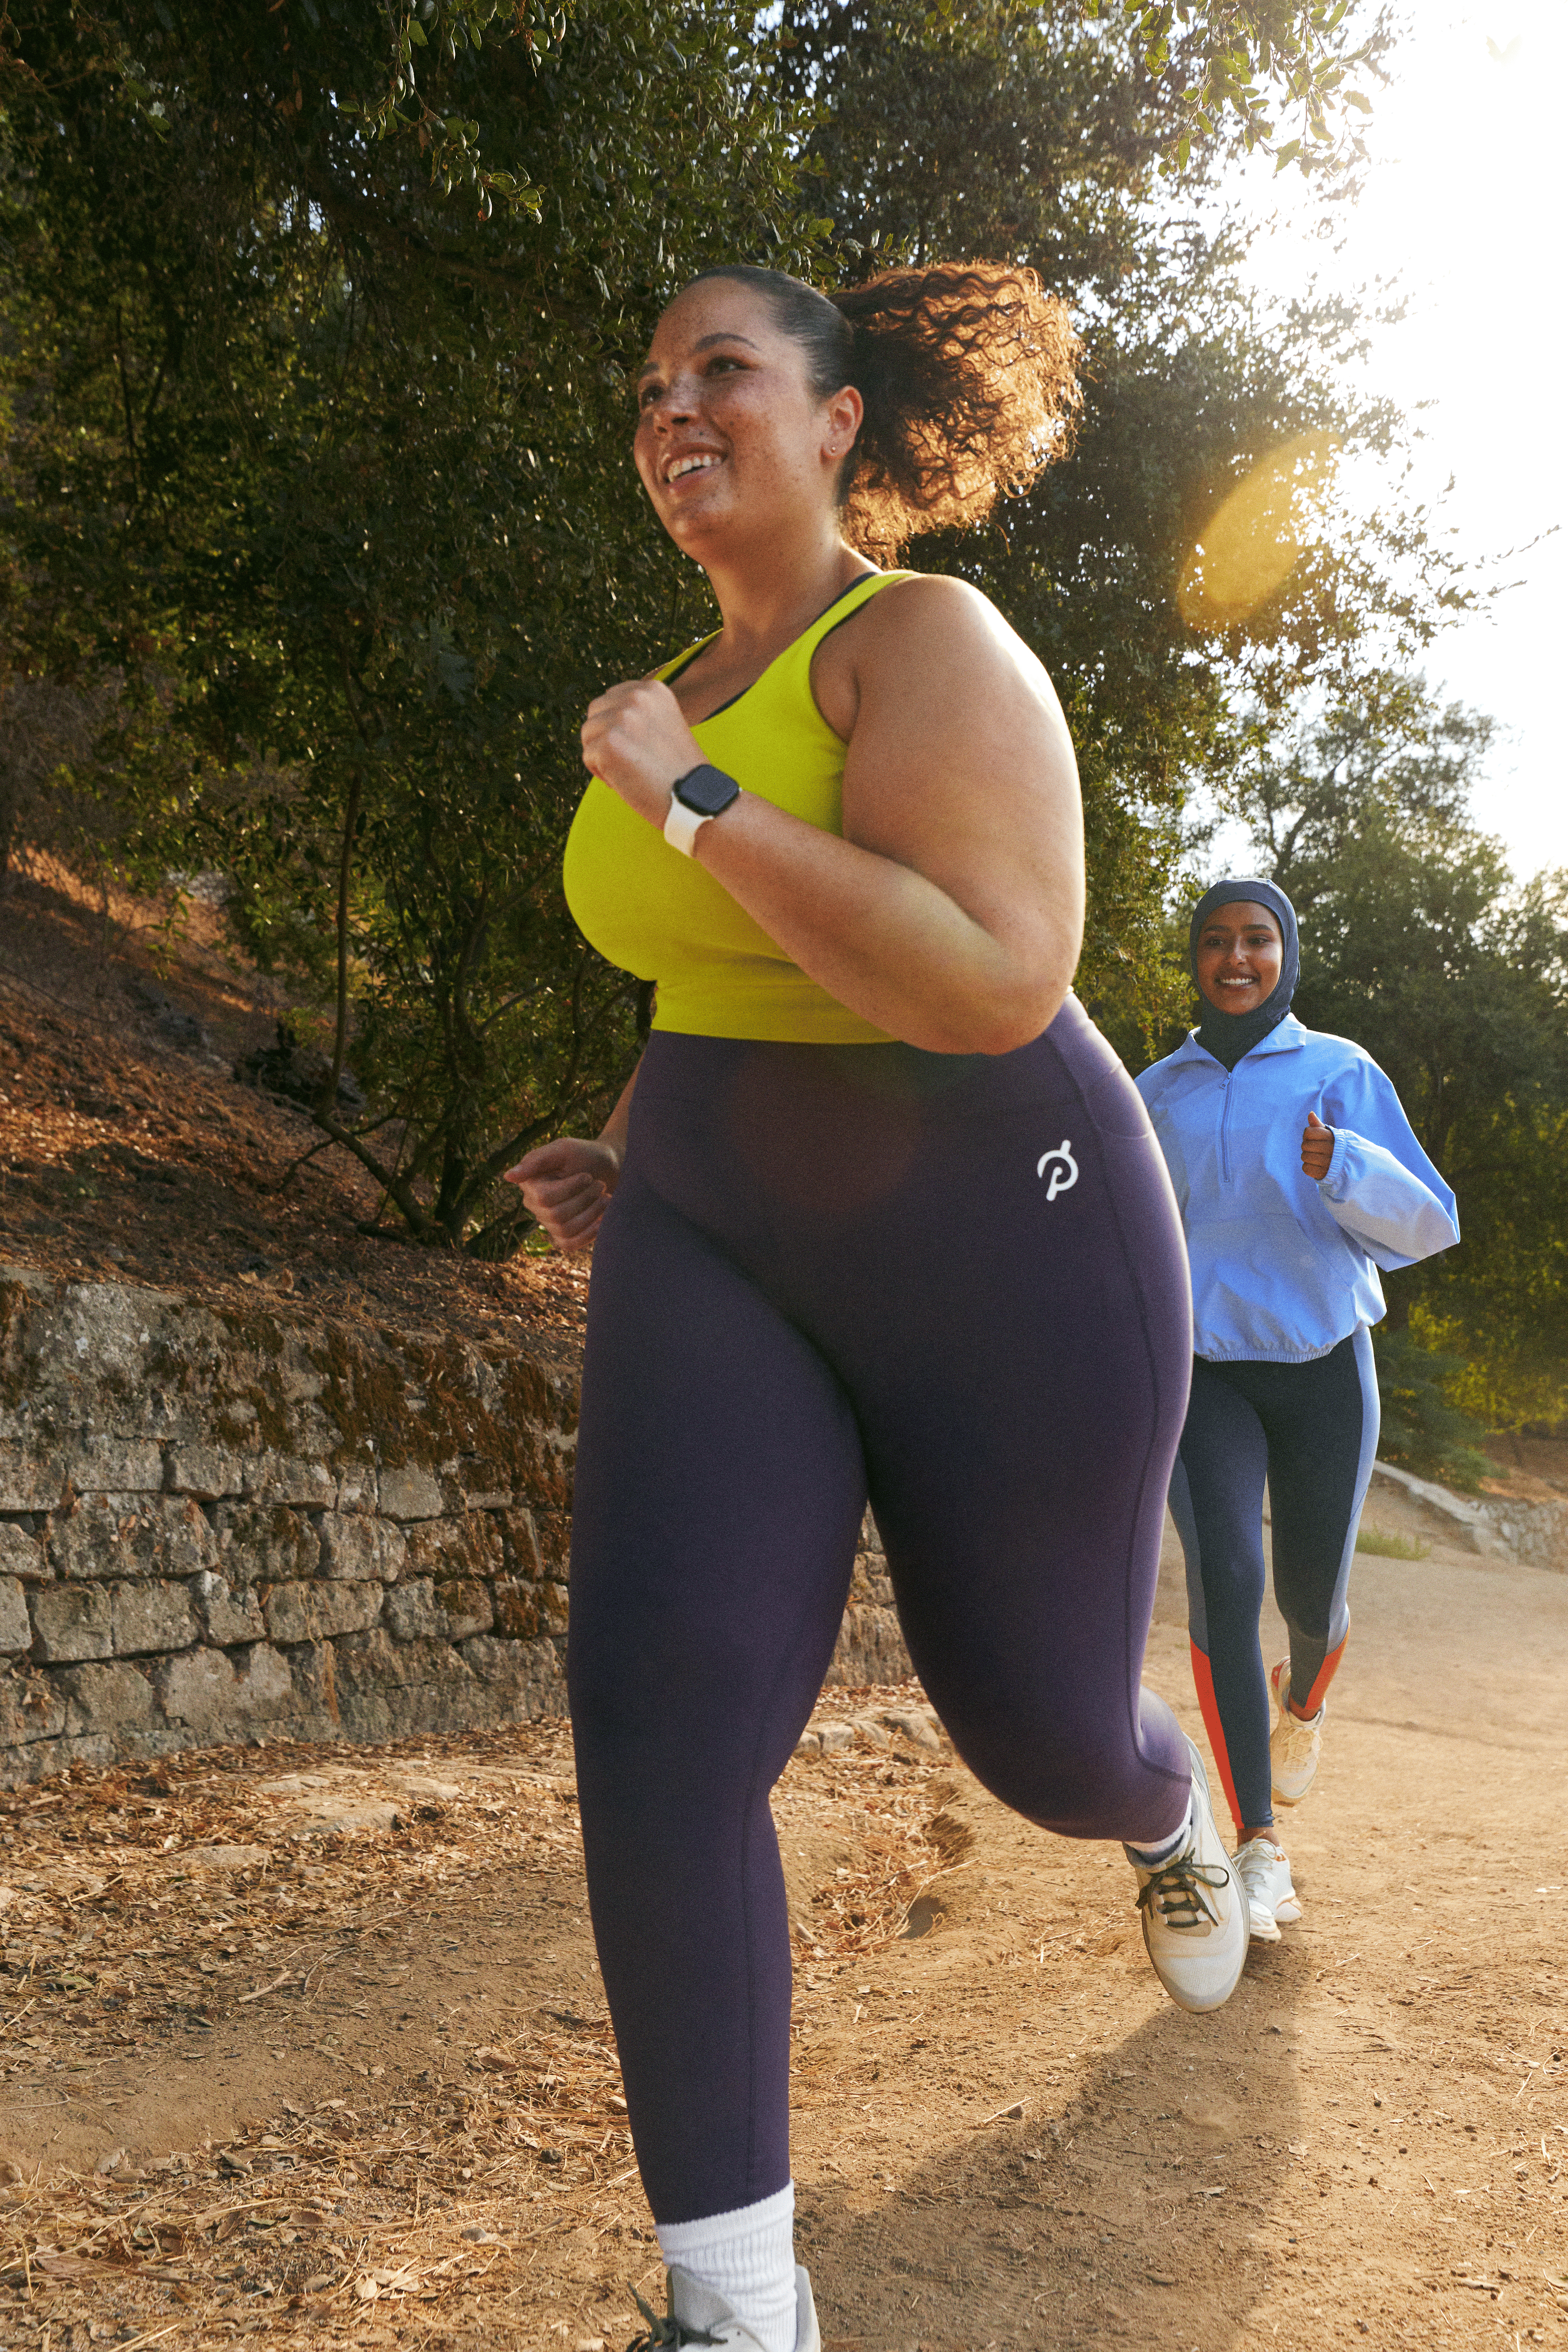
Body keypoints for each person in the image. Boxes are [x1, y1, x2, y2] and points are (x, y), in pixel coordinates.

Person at [507, 262, 1249, 2352]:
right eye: (649, 385)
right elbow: (713, 976)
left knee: (1038, 1734)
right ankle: (736, 2305)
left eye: (721, 370)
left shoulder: (916, 643)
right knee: (657, 1709)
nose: (673, 408)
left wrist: (695, 796)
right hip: (720, 1225)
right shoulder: (680, 687)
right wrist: (638, 1149)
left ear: (838, 420)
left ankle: (1170, 1805)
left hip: (1009, 1227)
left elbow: (993, 978)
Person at [1135, 880, 1460, 1944]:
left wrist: (1345, 1167)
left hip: (1324, 1366)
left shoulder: (1339, 1071)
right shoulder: (1155, 1093)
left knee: (1311, 1599)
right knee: (1226, 1583)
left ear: (1287, 956)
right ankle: (1260, 1847)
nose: (1236, 958)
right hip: (1206, 1376)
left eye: (1257, 940)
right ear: (1195, 959)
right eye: (1215, 940)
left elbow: (1430, 1223)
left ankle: (1306, 1696)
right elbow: (1117, 1228)